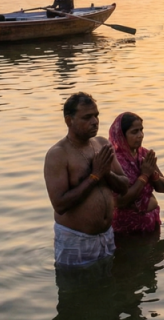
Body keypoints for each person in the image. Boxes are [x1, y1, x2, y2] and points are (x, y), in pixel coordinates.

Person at [44, 93, 130, 267]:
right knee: (75, 283)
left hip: (106, 236)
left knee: (108, 281)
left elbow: (124, 186)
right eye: (87, 117)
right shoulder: (58, 154)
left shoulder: (102, 144)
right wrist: (94, 176)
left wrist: (106, 174)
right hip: (76, 240)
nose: (95, 121)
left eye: (96, 115)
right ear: (69, 120)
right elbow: (60, 205)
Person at [107, 112, 164, 235]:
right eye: (134, 132)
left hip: (151, 223)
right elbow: (119, 201)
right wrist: (144, 176)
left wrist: (153, 174)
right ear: (121, 135)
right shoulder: (114, 161)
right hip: (126, 229)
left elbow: (163, 188)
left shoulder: (144, 154)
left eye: (141, 130)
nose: (140, 135)